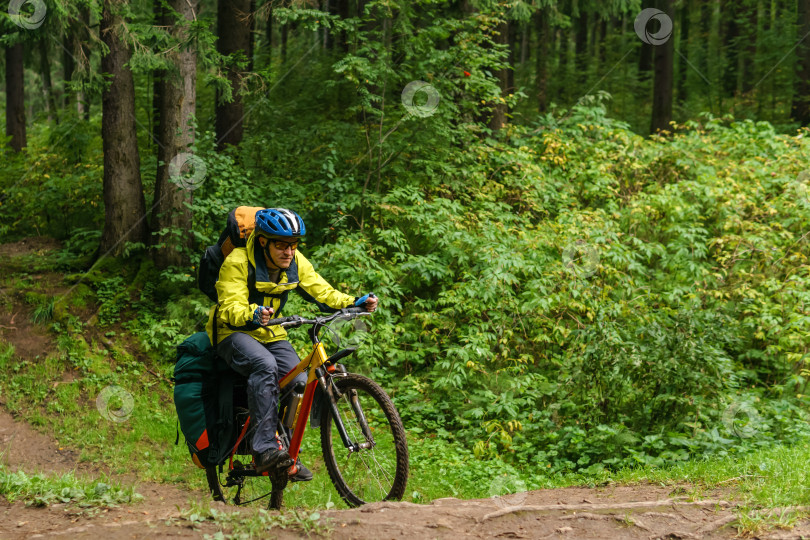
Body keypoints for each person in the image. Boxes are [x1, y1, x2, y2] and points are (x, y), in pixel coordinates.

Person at [205, 208, 377, 480]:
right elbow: (228, 307)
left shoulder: (295, 261)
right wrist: (250, 314)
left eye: (293, 245)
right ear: (264, 242)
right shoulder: (238, 262)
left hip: (271, 332)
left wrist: (352, 302)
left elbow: (321, 291)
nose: (289, 251)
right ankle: (264, 450)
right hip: (232, 332)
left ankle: (282, 453)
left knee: (298, 379)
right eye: (282, 245)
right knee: (265, 365)